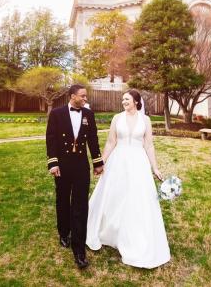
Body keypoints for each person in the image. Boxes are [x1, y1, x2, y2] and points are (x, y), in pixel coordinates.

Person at [86, 89, 170, 269]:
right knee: (115, 196)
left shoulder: (145, 120)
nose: (123, 102)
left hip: (138, 163)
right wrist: (101, 162)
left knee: (136, 199)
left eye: (127, 99)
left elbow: (148, 144)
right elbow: (110, 142)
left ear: (136, 102)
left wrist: (154, 167)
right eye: (122, 99)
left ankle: (134, 236)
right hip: (118, 161)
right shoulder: (117, 118)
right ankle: (110, 231)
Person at [46, 84, 104, 269]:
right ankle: (64, 233)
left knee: (80, 205)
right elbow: (51, 138)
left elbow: (93, 139)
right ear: (72, 97)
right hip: (62, 166)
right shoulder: (56, 114)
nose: (86, 99)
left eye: (86, 96)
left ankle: (79, 251)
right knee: (63, 200)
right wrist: (53, 163)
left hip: (80, 166)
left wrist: (97, 163)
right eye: (83, 96)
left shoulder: (89, 114)